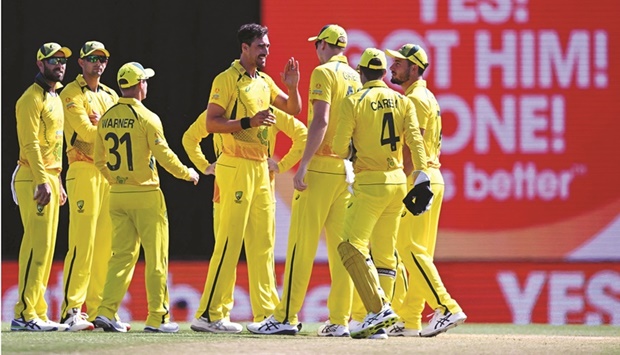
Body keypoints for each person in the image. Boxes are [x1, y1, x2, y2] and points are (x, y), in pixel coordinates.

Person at [247, 24, 361, 336]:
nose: (316, 50)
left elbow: (321, 120)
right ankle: (339, 320)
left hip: (321, 168)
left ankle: (285, 317)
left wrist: (303, 165)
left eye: (317, 45)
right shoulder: (354, 76)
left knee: (300, 245)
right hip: (344, 170)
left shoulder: (325, 73)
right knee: (342, 251)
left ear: (325, 45)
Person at [191, 23, 302, 334]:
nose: (265, 50)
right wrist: (247, 121)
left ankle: (267, 315)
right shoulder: (226, 80)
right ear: (244, 48)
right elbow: (212, 123)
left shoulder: (264, 81)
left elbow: (293, 110)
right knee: (229, 242)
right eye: (259, 46)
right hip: (235, 166)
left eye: (267, 45)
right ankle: (210, 314)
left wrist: (292, 87)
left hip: (260, 170)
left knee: (264, 244)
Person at [92, 62, 200, 333]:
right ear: (139, 84)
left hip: (117, 194)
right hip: (146, 194)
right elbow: (164, 156)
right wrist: (187, 173)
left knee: (121, 256)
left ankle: (106, 311)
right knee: (156, 257)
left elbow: (98, 160)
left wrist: (117, 181)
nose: (147, 85)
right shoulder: (148, 117)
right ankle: (158, 318)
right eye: (145, 81)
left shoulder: (106, 118)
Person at [333, 48, 431, 339]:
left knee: (351, 246)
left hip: (370, 183)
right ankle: (381, 323)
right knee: (386, 256)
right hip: (398, 181)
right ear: (382, 73)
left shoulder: (354, 101)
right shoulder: (402, 100)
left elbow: (339, 148)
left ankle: (378, 311)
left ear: (362, 73)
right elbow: (414, 139)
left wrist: (354, 149)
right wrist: (421, 176)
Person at [182, 106, 306, 323]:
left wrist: (281, 165)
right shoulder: (221, 113)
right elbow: (190, 138)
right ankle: (218, 313)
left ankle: (266, 314)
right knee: (229, 249)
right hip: (228, 189)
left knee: (262, 252)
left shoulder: (269, 112)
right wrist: (205, 166)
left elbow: (302, 134)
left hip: (261, 188)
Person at [385, 44, 467, 337]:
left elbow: (413, 144)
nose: (392, 66)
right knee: (417, 252)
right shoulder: (424, 95)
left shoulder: (416, 98)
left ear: (414, 69)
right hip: (431, 176)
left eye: (398, 63)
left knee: (408, 249)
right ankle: (409, 319)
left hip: (420, 177)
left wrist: (402, 178)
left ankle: (446, 307)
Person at [11, 42, 72, 332]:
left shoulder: (55, 97)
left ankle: (37, 310)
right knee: (36, 245)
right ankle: (24, 314)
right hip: (32, 176)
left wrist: (57, 180)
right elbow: (30, 144)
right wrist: (40, 180)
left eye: (62, 60)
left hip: (49, 176)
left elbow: (55, 145)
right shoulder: (30, 99)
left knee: (46, 248)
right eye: (53, 60)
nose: (59, 65)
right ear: (40, 64)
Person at [58, 41, 119, 332]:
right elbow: (84, 133)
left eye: (103, 59)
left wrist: (102, 124)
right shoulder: (70, 93)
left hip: (107, 173)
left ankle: (98, 311)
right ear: (81, 63)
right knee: (82, 242)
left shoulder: (109, 94)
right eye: (92, 58)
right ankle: (71, 310)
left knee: (105, 246)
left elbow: (121, 130)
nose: (98, 63)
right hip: (82, 168)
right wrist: (106, 128)